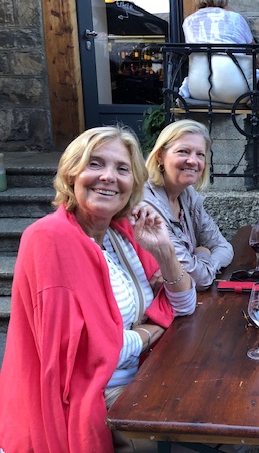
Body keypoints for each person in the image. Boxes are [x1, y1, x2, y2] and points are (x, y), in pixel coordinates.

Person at [0, 126, 197, 452]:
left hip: (148, 374)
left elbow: (184, 304)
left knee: (234, 412)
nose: (108, 176)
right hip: (99, 394)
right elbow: (77, 355)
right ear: (72, 173)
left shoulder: (124, 234)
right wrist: (150, 332)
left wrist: (164, 251)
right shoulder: (49, 238)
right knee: (207, 438)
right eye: (95, 164)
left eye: (122, 169)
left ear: (133, 183)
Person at [144, 119, 234, 291]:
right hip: (154, 302)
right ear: (160, 156)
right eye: (183, 151)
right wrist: (202, 253)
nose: (193, 161)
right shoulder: (147, 206)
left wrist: (201, 264)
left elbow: (224, 247)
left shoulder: (188, 195)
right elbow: (199, 279)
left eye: (200, 154)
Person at [181, 0, 256, 103]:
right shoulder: (235, 18)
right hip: (236, 90)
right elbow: (253, 51)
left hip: (198, 88)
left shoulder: (188, 22)